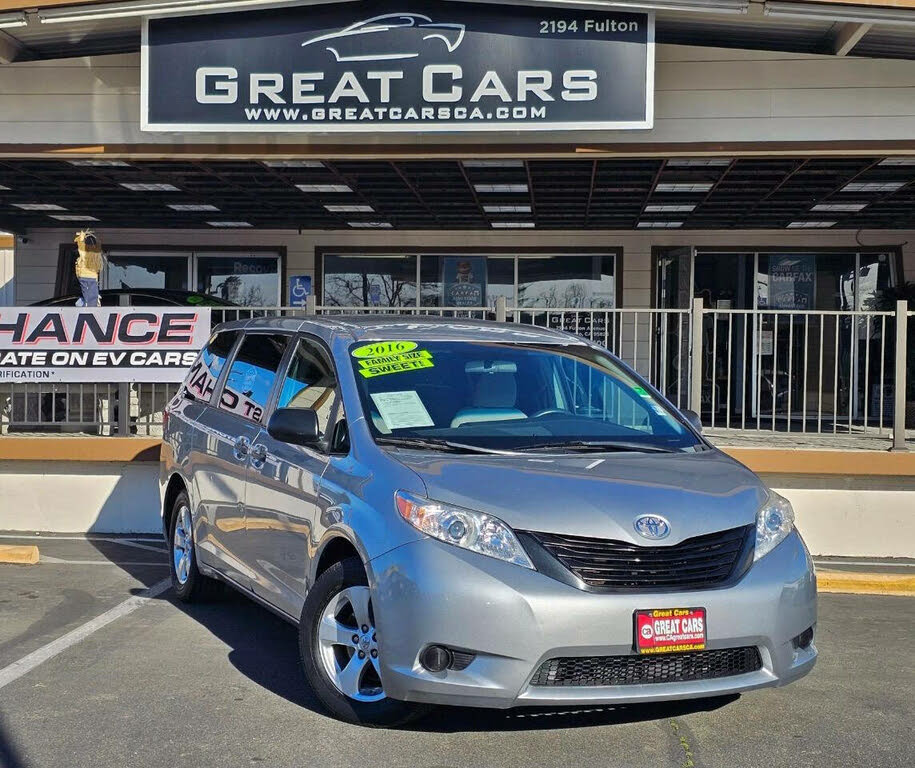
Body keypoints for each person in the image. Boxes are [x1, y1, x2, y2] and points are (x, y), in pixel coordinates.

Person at [74, 229, 104, 307]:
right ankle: (85, 306)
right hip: (92, 277)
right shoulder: (96, 252)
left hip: (85, 277)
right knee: (92, 296)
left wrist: (82, 236)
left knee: (88, 297)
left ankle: (83, 306)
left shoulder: (85, 252)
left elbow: (80, 245)